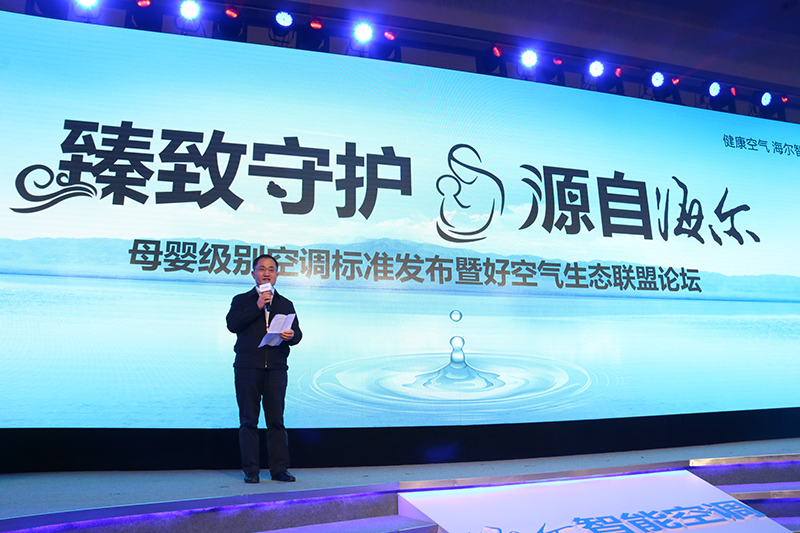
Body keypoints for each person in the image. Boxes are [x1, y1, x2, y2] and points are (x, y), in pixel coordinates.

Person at [226, 253, 302, 483]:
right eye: (261, 269)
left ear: (277, 275)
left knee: (276, 421)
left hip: (276, 369)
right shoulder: (242, 300)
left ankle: (279, 469)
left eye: (271, 269)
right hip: (247, 368)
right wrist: (257, 305)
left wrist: (291, 335)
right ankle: (251, 470)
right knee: (248, 421)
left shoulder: (285, 303)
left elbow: (298, 335)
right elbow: (232, 325)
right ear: (253, 273)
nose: (266, 273)